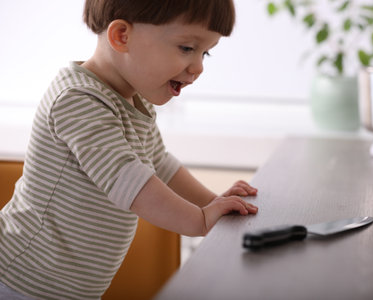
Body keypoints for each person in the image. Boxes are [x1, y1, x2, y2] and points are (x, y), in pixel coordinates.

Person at [0, 0, 258, 299]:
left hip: (64, 288)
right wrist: (199, 220)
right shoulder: (77, 100)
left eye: (206, 52)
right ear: (122, 36)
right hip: (20, 278)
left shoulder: (134, 98)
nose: (199, 67)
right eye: (187, 48)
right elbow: (130, 180)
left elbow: (159, 162)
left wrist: (212, 203)